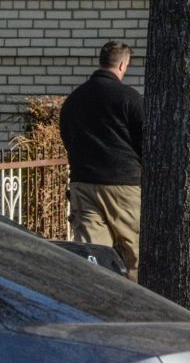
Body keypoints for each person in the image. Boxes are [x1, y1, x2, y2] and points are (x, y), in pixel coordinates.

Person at [59, 40, 144, 281]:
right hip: (124, 184)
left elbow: (67, 136)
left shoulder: (74, 99)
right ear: (123, 64)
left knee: (93, 254)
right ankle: (140, 305)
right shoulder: (130, 98)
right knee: (134, 252)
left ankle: (97, 305)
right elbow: (144, 139)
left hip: (83, 182)